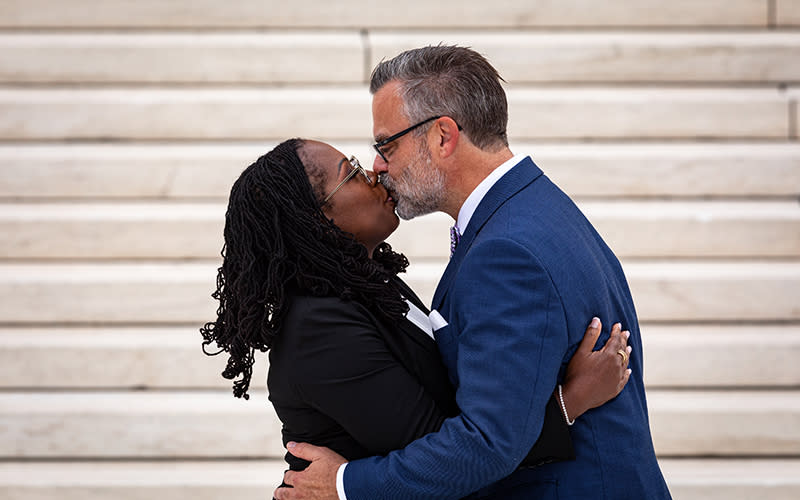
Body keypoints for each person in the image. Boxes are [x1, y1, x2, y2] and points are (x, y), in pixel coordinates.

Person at [275, 46, 672, 500]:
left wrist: (346, 485)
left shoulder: (504, 251)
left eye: (386, 145)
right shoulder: (535, 206)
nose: (379, 167)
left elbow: (486, 443)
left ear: (443, 136)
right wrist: (569, 401)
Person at [200, 138, 632, 495]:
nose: (373, 171)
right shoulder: (319, 329)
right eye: (350, 172)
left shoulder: (364, 284)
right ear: (318, 219)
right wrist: (571, 399)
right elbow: (444, 452)